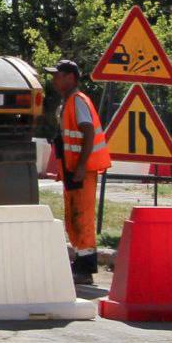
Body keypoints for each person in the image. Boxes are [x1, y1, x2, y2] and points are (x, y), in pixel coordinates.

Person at [45, 59, 111, 283]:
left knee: (82, 216)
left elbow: (88, 131)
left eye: (58, 75)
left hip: (81, 170)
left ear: (71, 77)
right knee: (73, 217)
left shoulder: (78, 101)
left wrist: (81, 166)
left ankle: (86, 268)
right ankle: (80, 264)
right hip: (72, 170)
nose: (54, 79)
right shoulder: (68, 102)